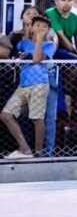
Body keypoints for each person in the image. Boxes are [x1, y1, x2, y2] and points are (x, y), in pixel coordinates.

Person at [1, 16, 54, 159]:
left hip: (39, 84)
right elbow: (10, 51)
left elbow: (36, 59)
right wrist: (17, 35)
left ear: (48, 30)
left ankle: (38, 153)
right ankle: (24, 149)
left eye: (44, 27)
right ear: (31, 27)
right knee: (6, 115)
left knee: (37, 118)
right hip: (23, 84)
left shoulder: (49, 45)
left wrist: (39, 40)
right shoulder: (23, 43)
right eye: (37, 25)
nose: (40, 28)